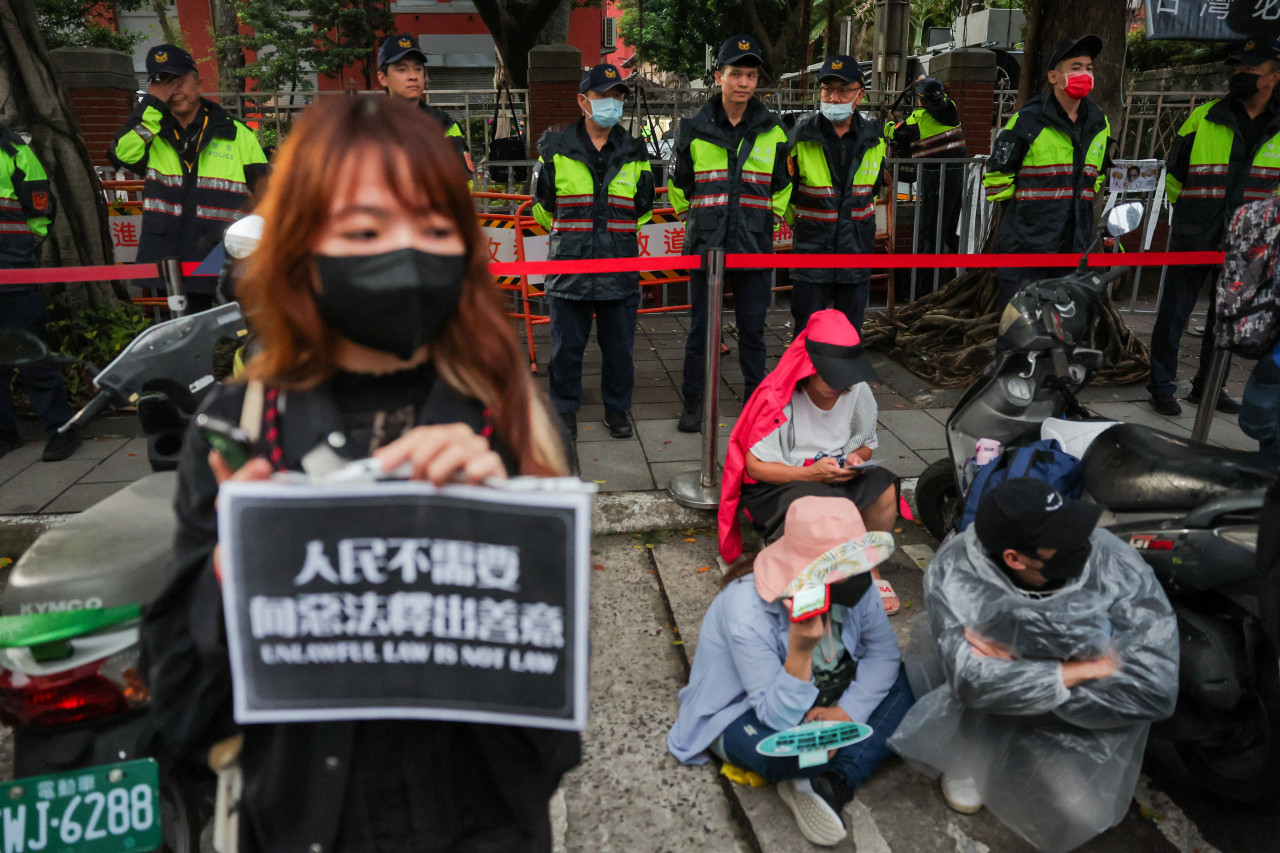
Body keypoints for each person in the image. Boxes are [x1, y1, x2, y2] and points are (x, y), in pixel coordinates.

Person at [140, 96, 579, 852]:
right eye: (367, 229)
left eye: (435, 228)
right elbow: (181, 714)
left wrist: (497, 535)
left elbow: (554, 739)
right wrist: (240, 565)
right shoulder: (237, 428)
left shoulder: (514, 418)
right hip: (305, 825)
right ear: (303, 247)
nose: (405, 253)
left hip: (486, 827)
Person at [888, 477, 1178, 853]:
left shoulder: (1107, 557)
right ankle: (973, 749)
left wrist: (1018, 663)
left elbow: (1155, 690)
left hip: (1073, 722)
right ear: (1014, 558)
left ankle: (1050, 748)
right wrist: (1082, 667)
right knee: (978, 686)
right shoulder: (958, 572)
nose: (1080, 547)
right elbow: (973, 683)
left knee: (1081, 813)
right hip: (992, 708)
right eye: (1060, 541)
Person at [669, 496, 913, 847]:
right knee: (781, 750)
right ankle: (828, 768)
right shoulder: (747, 611)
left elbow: (883, 654)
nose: (856, 580)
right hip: (750, 711)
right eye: (841, 571)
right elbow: (777, 715)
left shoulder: (856, 581)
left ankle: (830, 780)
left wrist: (845, 714)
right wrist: (800, 651)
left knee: (911, 681)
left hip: (833, 695)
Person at [720, 309, 903, 615]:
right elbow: (756, 468)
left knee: (884, 488)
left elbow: (866, 446)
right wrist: (810, 473)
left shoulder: (858, 391)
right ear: (808, 365)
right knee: (822, 504)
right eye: (830, 373)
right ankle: (797, 559)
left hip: (835, 476)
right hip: (780, 484)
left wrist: (856, 459)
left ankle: (871, 569)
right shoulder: (778, 396)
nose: (838, 383)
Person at [1148, 38, 1280, 418]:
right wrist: (1189, 215)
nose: (1239, 75)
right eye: (1237, 69)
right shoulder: (1203, 117)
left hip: (1246, 240)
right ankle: (1162, 386)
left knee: (1227, 319)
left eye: (1249, 70)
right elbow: (1175, 175)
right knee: (1174, 313)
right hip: (1195, 232)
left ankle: (1209, 387)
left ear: (1273, 78)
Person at [668, 34, 792, 432]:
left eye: (751, 75)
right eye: (735, 73)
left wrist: (766, 220)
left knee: (754, 330)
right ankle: (695, 401)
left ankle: (756, 403)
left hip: (754, 246)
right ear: (718, 76)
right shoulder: (693, 128)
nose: (743, 82)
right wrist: (698, 220)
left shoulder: (773, 130)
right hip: (705, 245)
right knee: (702, 330)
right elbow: (678, 187)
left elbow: (783, 185)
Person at [531, 63, 654, 441]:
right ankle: (564, 410)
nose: (612, 104)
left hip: (619, 268)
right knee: (566, 349)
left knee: (620, 351)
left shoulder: (634, 150)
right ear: (583, 100)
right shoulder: (555, 148)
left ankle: (617, 411)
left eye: (618, 96)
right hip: (570, 269)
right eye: (603, 95)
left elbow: (644, 208)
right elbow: (541, 207)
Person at [109, 44, 269, 313]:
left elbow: (268, 197)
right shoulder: (151, 134)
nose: (174, 91)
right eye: (164, 85)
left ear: (199, 83)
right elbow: (121, 154)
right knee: (186, 340)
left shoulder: (236, 134)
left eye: (179, 81)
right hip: (171, 256)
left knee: (244, 335)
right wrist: (152, 105)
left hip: (226, 255)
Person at [983, 35, 1110, 310]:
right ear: (1054, 76)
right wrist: (1027, 221)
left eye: (1088, 68)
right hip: (1026, 251)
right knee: (1019, 332)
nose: (1085, 74)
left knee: (1064, 332)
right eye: (1075, 67)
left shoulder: (1100, 124)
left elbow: (1097, 177)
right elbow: (996, 180)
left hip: (1073, 250)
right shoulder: (1027, 121)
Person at [787, 55, 887, 334]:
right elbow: (787, 195)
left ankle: (845, 380)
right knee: (806, 334)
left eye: (843, 90)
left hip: (855, 250)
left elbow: (873, 190)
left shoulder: (874, 139)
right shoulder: (800, 137)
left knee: (849, 333)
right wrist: (806, 225)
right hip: (812, 251)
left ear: (860, 95)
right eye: (827, 89)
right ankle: (804, 380)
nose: (833, 97)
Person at [0, 122, 80, 462]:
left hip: (12, 271)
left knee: (30, 354)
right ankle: (6, 436)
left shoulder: (13, 150)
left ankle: (62, 429)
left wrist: (21, 251)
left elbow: (40, 210)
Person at [887, 76, 966, 287]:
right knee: (951, 231)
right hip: (956, 178)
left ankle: (924, 288)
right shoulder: (952, 106)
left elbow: (897, 133)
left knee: (930, 233)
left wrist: (889, 121)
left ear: (920, 100)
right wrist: (927, 83)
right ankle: (958, 279)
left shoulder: (919, 119)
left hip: (934, 181)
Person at [377, 33, 474, 182]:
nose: (413, 76)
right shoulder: (367, 126)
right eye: (402, 70)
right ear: (382, 78)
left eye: (417, 69)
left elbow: (462, 185)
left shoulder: (443, 125)